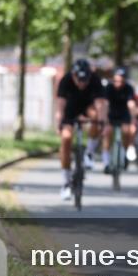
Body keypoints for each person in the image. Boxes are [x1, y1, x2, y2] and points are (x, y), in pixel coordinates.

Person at [55, 58, 106, 200]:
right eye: (79, 80)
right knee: (66, 138)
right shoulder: (65, 81)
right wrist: (59, 123)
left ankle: (89, 153)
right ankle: (66, 182)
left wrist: (102, 122)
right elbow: (60, 105)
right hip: (70, 110)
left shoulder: (95, 80)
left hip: (87, 108)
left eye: (85, 80)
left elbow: (100, 103)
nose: (82, 83)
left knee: (96, 118)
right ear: (73, 75)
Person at [102, 66, 137, 172]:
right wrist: (105, 119)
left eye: (121, 81)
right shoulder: (108, 88)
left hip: (124, 114)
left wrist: (133, 119)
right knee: (107, 133)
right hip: (111, 114)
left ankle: (127, 150)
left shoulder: (129, 88)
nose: (118, 83)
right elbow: (105, 104)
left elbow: (131, 104)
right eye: (116, 81)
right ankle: (106, 162)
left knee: (128, 131)